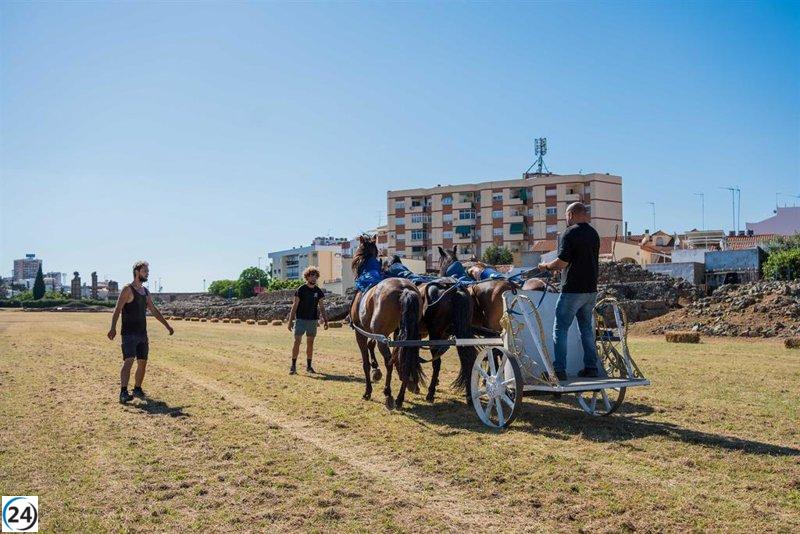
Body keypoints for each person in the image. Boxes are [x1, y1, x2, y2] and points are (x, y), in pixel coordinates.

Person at [538, 202, 600, 381]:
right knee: (586, 330)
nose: (565, 219)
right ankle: (591, 367)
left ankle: (559, 370)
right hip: (590, 291)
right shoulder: (594, 234)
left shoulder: (569, 233)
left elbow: (562, 262)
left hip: (572, 290)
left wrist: (546, 266)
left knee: (560, 329)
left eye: (566, 215)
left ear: (571, 214)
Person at [107, 261, 174, 403]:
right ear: (137, 272)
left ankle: (137, 388)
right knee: (129, 361)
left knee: (142, 362)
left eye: (147, 271)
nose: (147, 273)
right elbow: (118, 309)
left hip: (142, 333)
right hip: (129, 333)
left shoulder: (145, 292)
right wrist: (112, 327)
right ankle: (123, 392)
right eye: (145, 271)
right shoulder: (127, 289)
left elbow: (154, 310)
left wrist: (167, 326)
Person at [287, 266, 328, 374]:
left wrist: (326, 320)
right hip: (300, 320)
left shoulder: (318, 291)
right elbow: (294, 306)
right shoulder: (301, 289)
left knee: (310, 344)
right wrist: (290, 321)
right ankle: (293, 366)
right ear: (307, 277)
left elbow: (322, 307)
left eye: (315, 276)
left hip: (312, 321)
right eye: (311, 276)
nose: (314, 278)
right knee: (297, 342)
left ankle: (309, 366)